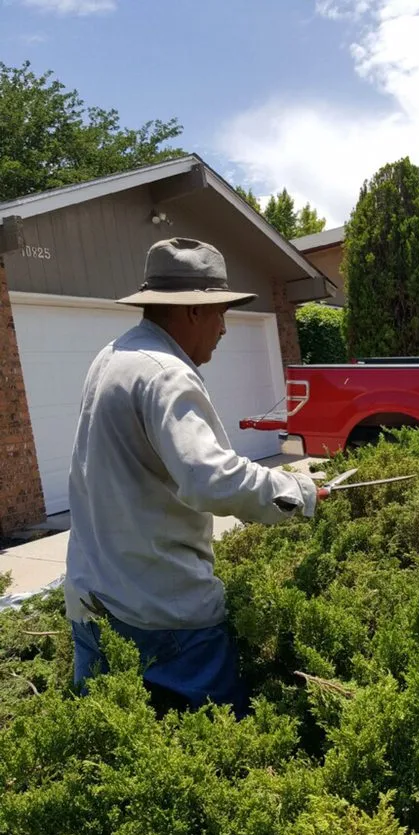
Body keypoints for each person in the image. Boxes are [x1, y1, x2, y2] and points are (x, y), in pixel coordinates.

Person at [65, 237, 322, 718]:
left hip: (92, 600)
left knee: (116, 761)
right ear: (189, 311)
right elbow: (209, 477)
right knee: (218, 756)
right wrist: (297, 492)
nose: (225, 327)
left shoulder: (113, 357)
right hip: (164, 613)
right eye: (219, 311)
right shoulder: (166, 374)